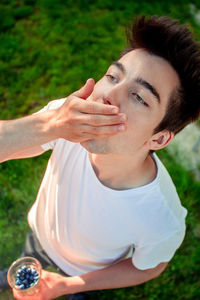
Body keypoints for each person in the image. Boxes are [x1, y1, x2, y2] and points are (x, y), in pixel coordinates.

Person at [1, 14, 200, 300]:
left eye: (139, 97)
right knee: (27, 258)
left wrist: (70, 285)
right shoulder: (63, 122)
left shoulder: (161, 218)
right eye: (112, 76)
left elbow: (148, 267)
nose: (108, 95)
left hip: (80, 274)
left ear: (158, 138)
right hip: (39, 236)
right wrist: (51, 124)